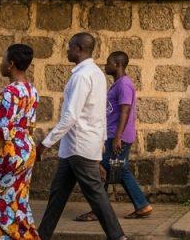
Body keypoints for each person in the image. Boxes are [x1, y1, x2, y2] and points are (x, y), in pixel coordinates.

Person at [36, 33, 126, 240]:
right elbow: (100, 112)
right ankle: (42, 235)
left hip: (79, 146)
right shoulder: (96, 74)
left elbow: (70, 116)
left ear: (79, 48)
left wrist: (45, 144)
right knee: (57, 194)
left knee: (95, 194)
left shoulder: (81, 76)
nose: (67, 51)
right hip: (76, 147)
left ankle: (118, 236)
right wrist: (102, 141)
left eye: (69, 47)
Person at [75, 51, 152, 221]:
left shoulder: (124, 84)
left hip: (118, 136)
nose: (105, 65)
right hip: (113, 135)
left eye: (109, 62)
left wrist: (117, 137)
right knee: (115, 169)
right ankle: (141, 205)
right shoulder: (118, 84)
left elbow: (125, 111)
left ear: (117, 64)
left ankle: (99, 210)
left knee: (98, 169)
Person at [0, 43, 40, 240]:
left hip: (8, 152)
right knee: (17, 201)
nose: (1, 63)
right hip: (26, 149)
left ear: (11, 64)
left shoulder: (9, 92)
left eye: (3, 60)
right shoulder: (31, 89)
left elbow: (3, 130)